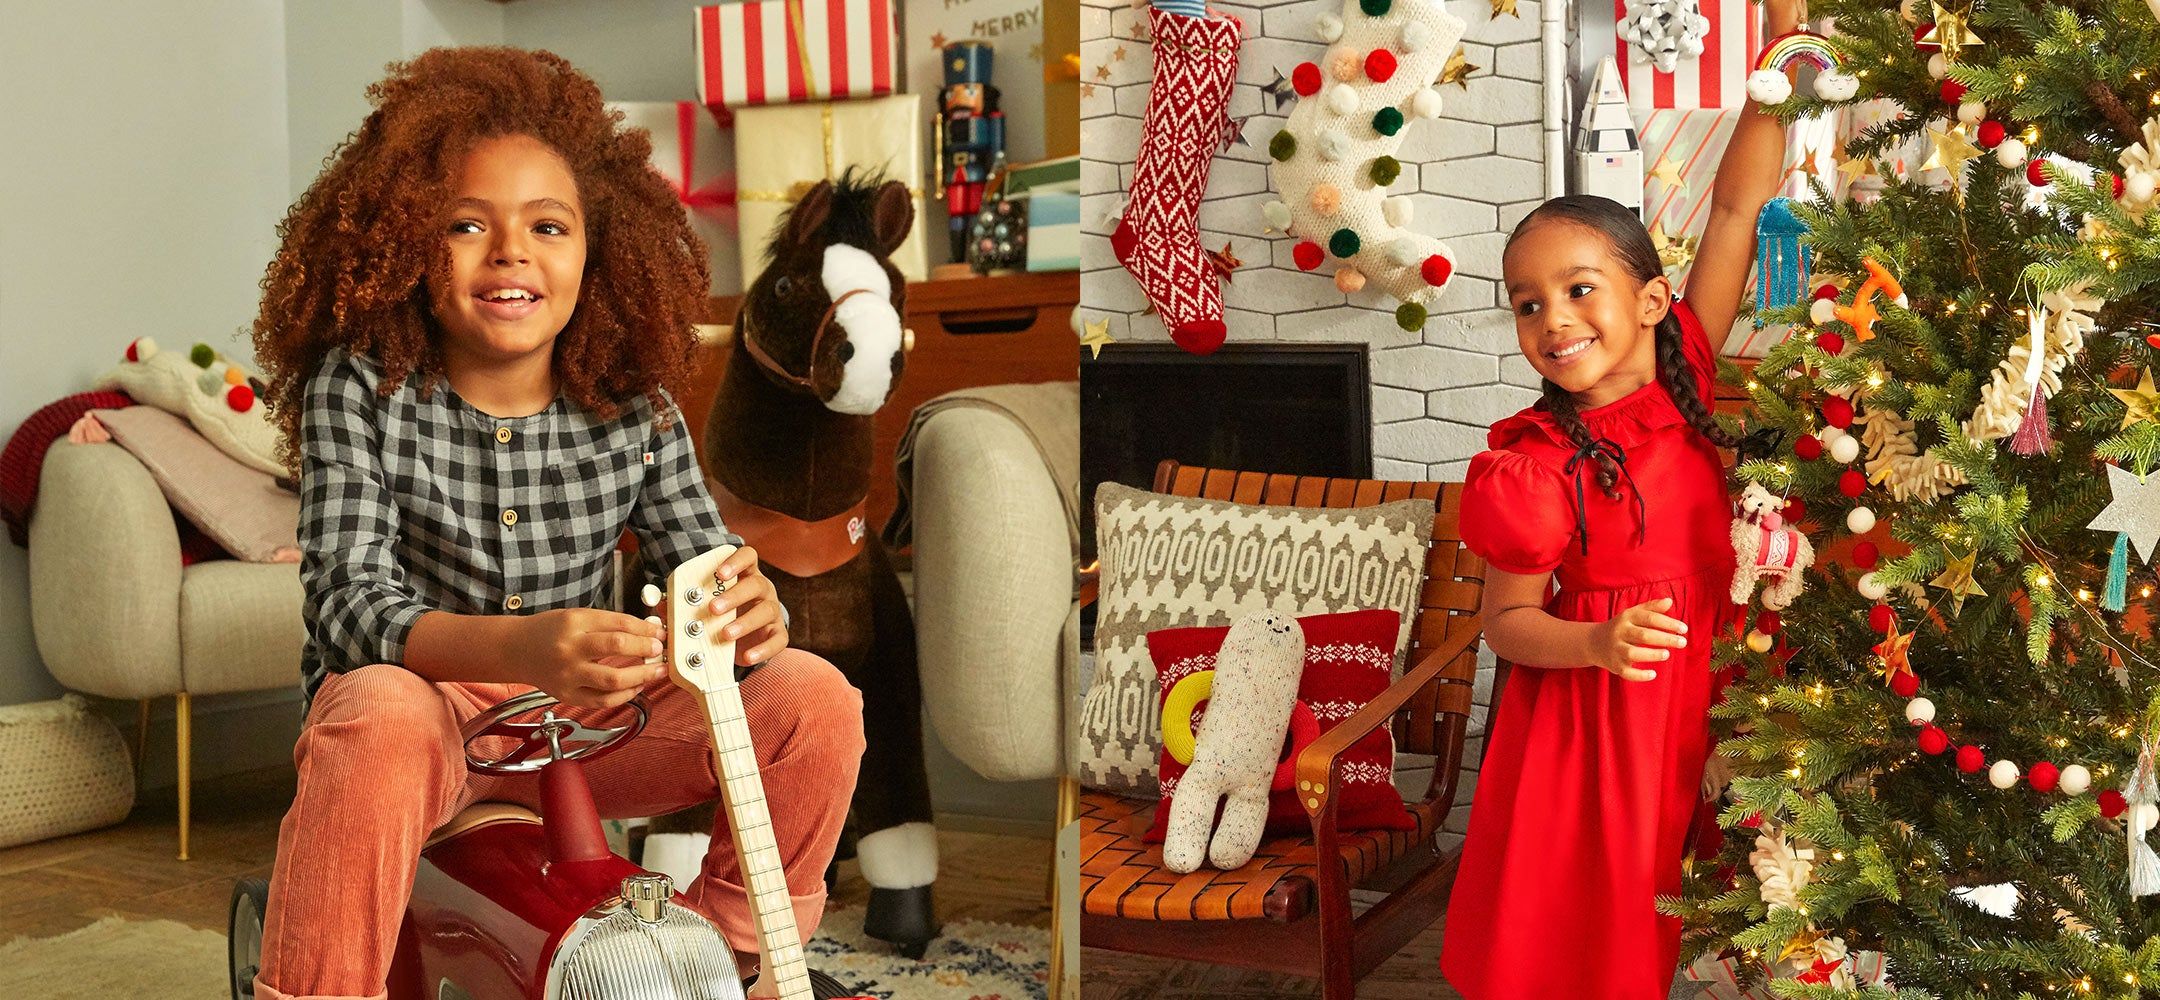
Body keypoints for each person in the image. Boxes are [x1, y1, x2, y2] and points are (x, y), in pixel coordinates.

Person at [246, 47, 864, 1000]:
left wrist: (745, 615)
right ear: (405, 239)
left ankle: (730, 960)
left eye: (549, 225)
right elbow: (347, 609)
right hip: (428, 726)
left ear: (599, 251)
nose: (511, 253)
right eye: (465, 224)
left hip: (589, 730)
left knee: (815, 700)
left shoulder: (635, 406)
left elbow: (705, 571)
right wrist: (527, 647)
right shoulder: (359, 387)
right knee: (374, 708)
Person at [1438, 2, 1798, 993]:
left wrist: (1775, 75)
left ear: (1649, 300)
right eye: (1529, 302)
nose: (1554, 318)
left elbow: (1732, 210)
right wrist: (1594, 642)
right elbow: (1506, 622)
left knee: (1737, 913)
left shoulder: (1683, 359)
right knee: (1597, 937)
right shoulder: (1538, 459)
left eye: (1580, 288)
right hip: (1603, 728)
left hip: (1718, 687)